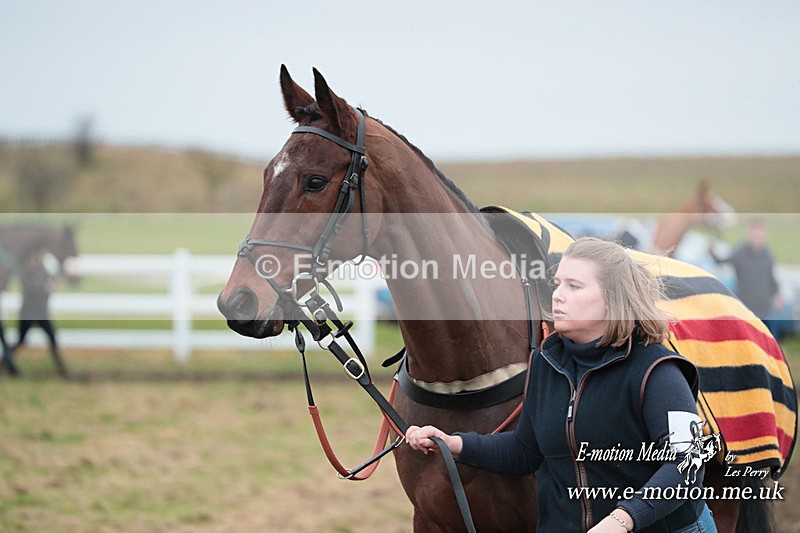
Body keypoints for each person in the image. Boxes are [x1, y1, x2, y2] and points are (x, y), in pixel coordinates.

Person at [406, 237, 716, 532]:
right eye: (557, 284)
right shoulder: (544, 362)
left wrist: (624, 519)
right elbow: (525, 450)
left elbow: (687, 465)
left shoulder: (658, 371)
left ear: (613, 298)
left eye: (574, 286)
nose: (557, 295)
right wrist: (454, 443)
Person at [709, 218, 783, 333]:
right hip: (747, 306)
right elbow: (720, 261)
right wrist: (711, 250)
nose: (757, 237)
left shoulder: (767, 253)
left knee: (769, 338)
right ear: (749, 234)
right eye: (755, 234)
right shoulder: (739, 252)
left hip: (765, 307)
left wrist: (777, 293)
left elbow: (771, 276)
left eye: (760, 234)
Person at [8, 249, 68, 376]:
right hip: (28, 313)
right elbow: (32, 289)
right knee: (21, 341)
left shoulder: (44, 271)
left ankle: (61, 368)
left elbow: (52, 281)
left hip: (41, 313)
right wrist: (45, 289)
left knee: (52, 338)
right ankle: (6, 360)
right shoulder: (26, 273)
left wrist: (52, 285)